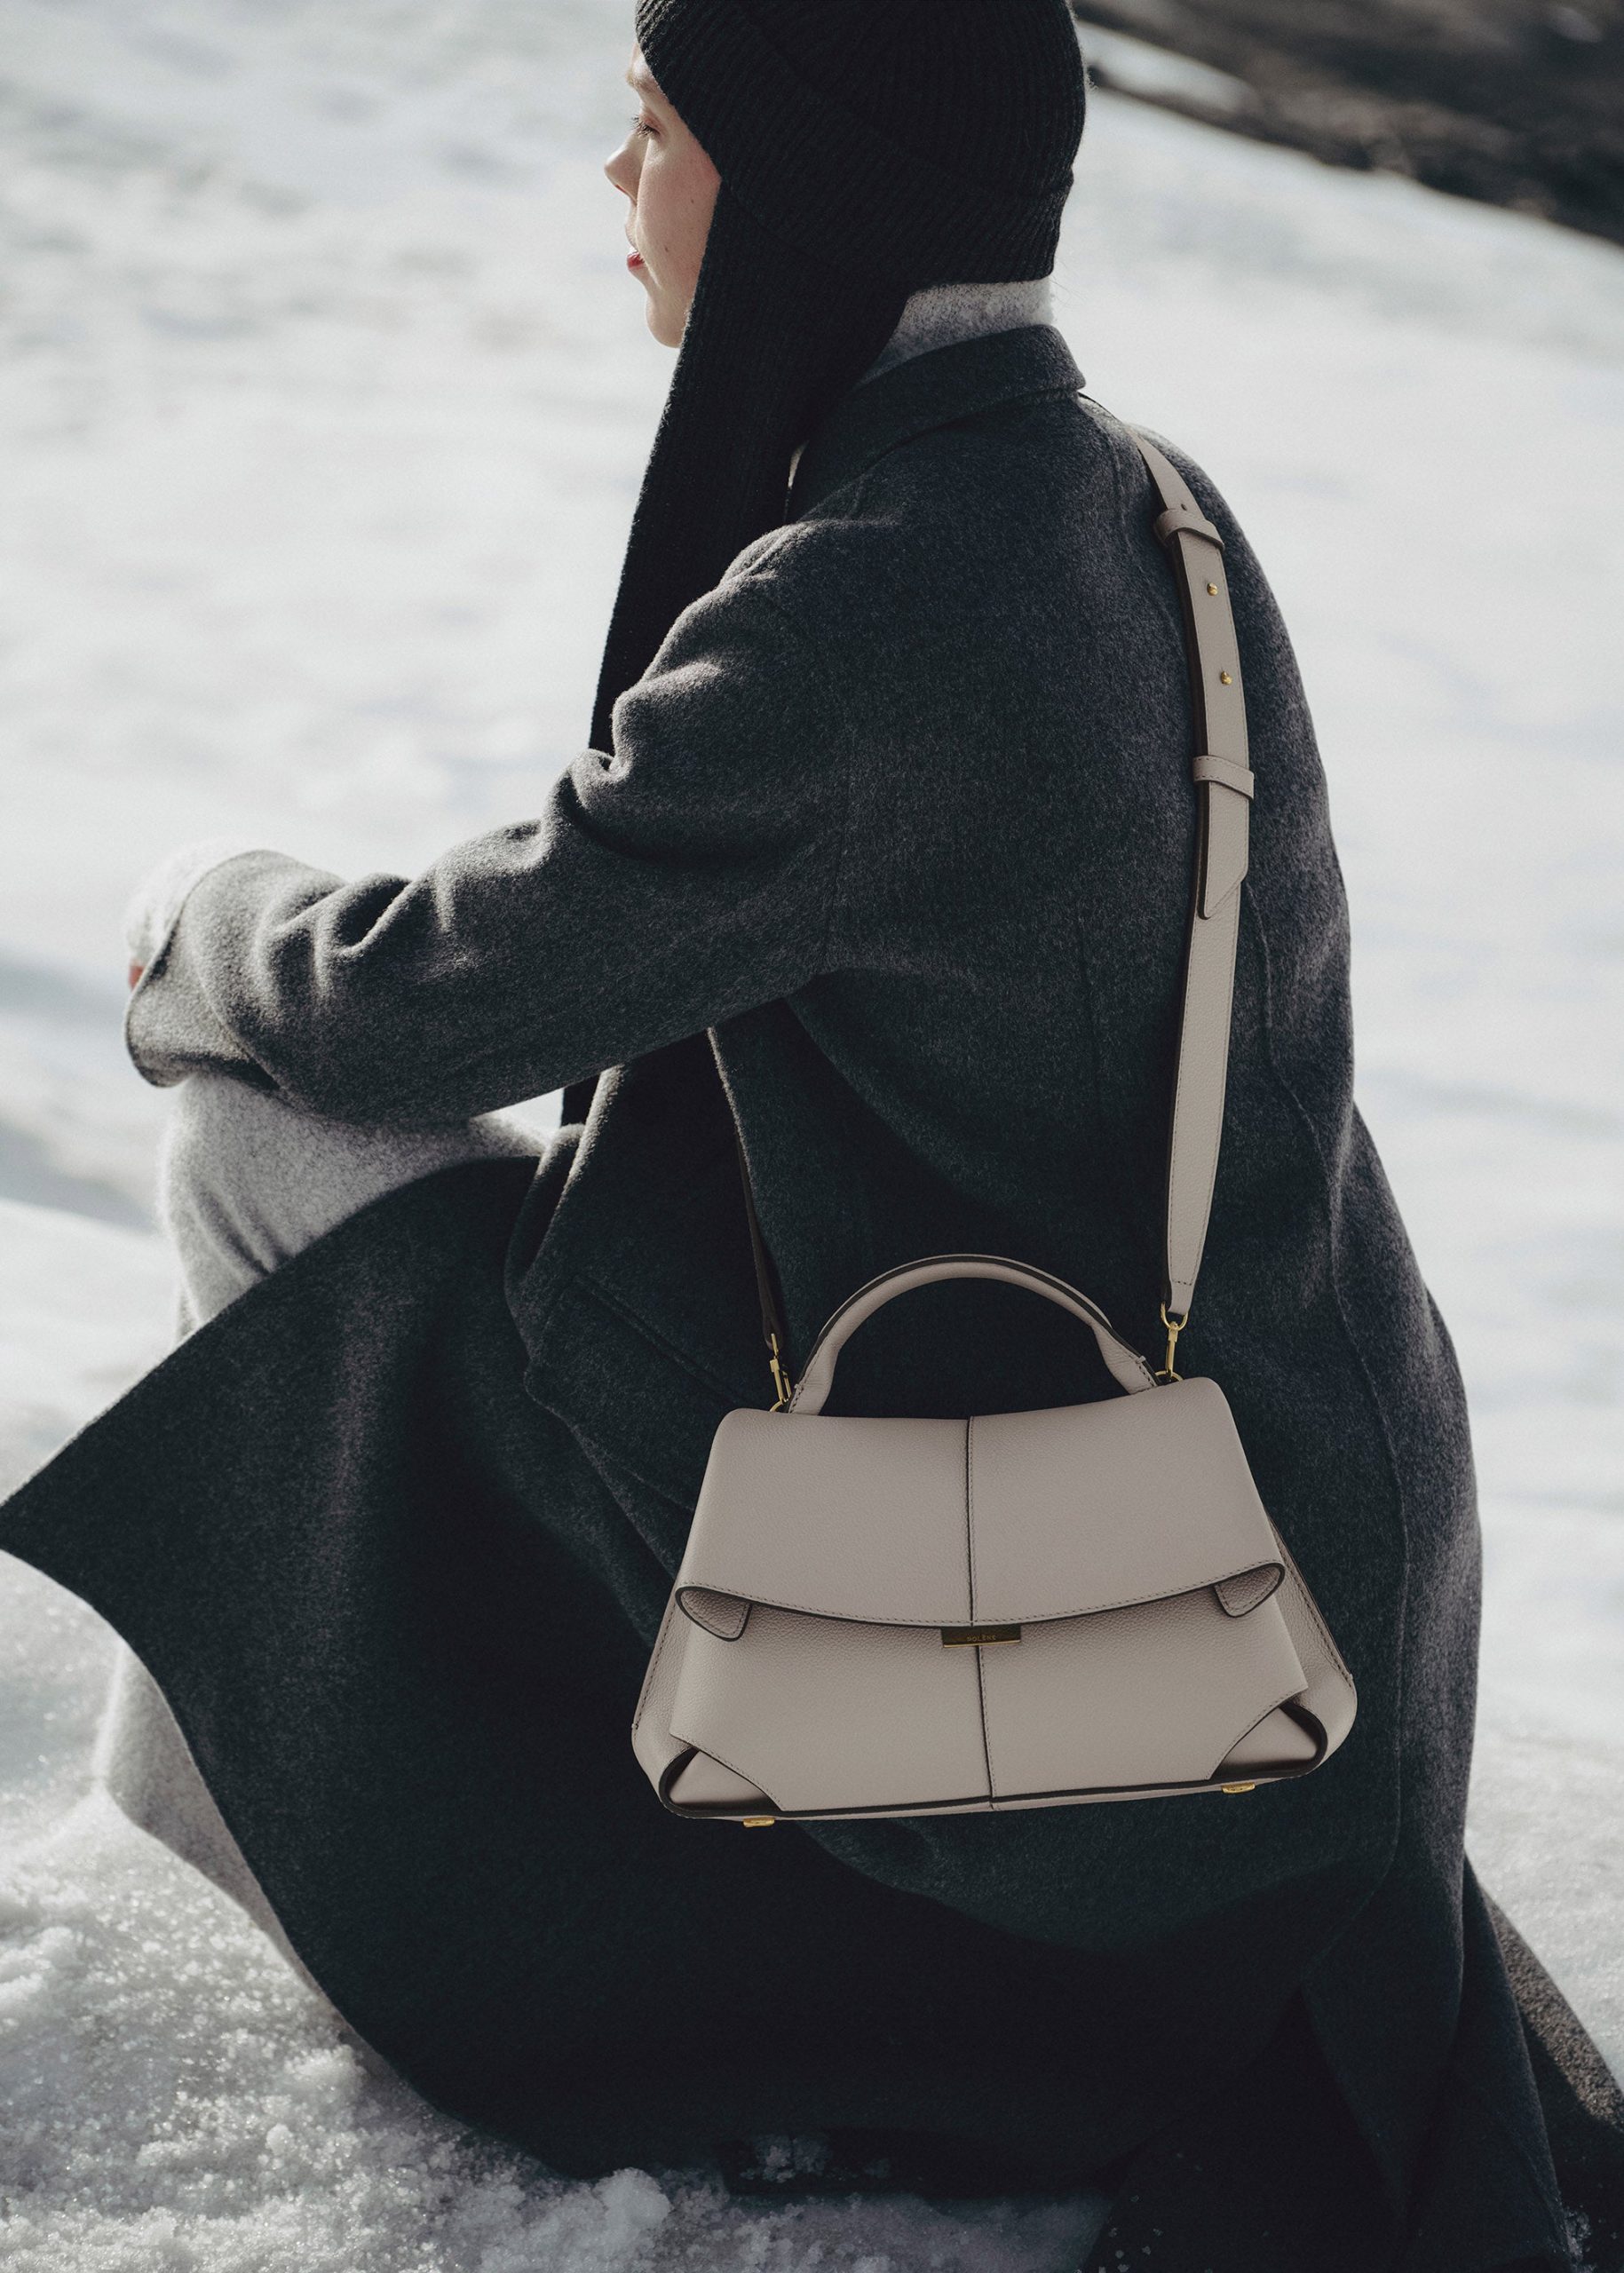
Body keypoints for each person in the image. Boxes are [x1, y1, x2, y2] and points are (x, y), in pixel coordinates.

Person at [4, 4, 1620, 2265]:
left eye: (655, 127)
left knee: (259, 1126)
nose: (618, 181)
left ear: (799, 189)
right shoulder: (1141, 503)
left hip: (1105, 1644)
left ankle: (336, 1860)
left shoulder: (890, 591)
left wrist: (197, 914)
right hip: (1313, 1534)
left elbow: (413, 1007)